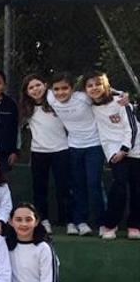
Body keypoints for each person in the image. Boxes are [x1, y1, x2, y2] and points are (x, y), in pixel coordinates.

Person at [47, 72, 104, 236]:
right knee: (77, 185)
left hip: (95, 146)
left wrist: (123, 95)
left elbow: (105, 93)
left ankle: (102, 223)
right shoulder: (51, 98)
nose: (60, 92)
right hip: (73, 147)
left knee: (94, 184)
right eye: (56, 89)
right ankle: (81, 221)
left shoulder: (83, 98)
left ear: (72, 89)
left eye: (65, 88)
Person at [85, 71, 140, 240]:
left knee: (137, 189)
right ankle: (110, 224)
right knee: (120, 188)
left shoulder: (122, 102)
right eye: (89, 85)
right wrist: (117, 152)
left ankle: (134, 226)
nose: (94, 88)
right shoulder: (90, 105)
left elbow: (132, 128)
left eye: (97, 84)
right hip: (114, 153)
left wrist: (124, 149)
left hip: (135, 150)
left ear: (105, 85)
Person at [19, 74, 69, 233]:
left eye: (38, 85)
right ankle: (43, 220)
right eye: (31, 88)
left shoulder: (57, 104)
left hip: (61, 150)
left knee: (64, 187)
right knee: (40, 188)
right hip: (39, 153)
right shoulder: (26, 109)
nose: (35, 90)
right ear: (26, 92)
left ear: (45, 85)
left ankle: (68, 221)